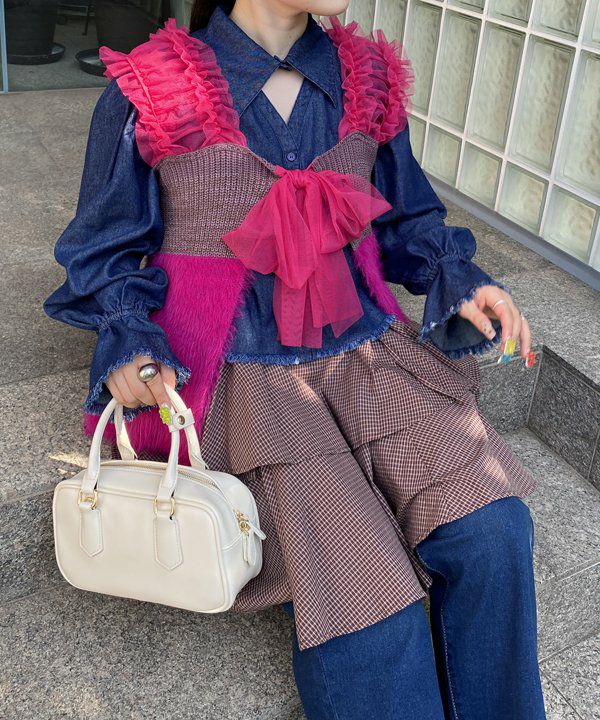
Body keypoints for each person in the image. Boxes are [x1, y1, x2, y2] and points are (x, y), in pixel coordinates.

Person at [43, 1, 546, 717]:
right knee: (368, 608)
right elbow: (105, 249)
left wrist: (459, 281)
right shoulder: (153, 87)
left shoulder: (368, 78)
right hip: (243, 376)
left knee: (495, 532)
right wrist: (129, 336)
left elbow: (404, 218)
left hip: (367, 353)